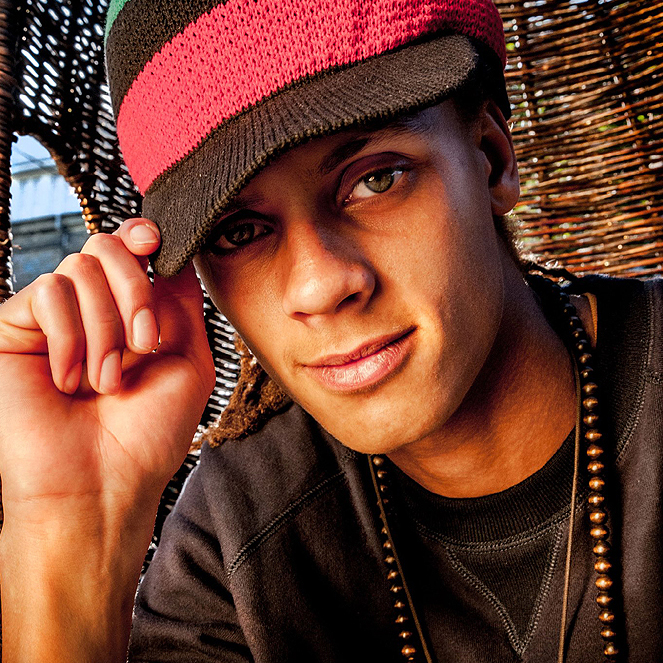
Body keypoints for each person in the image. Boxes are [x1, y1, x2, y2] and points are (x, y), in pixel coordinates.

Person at [0, 0, 660, 661]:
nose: (319, 285)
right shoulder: (235, 539)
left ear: (490, 157)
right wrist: (69, 532)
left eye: (376, 179)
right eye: (239, 232)